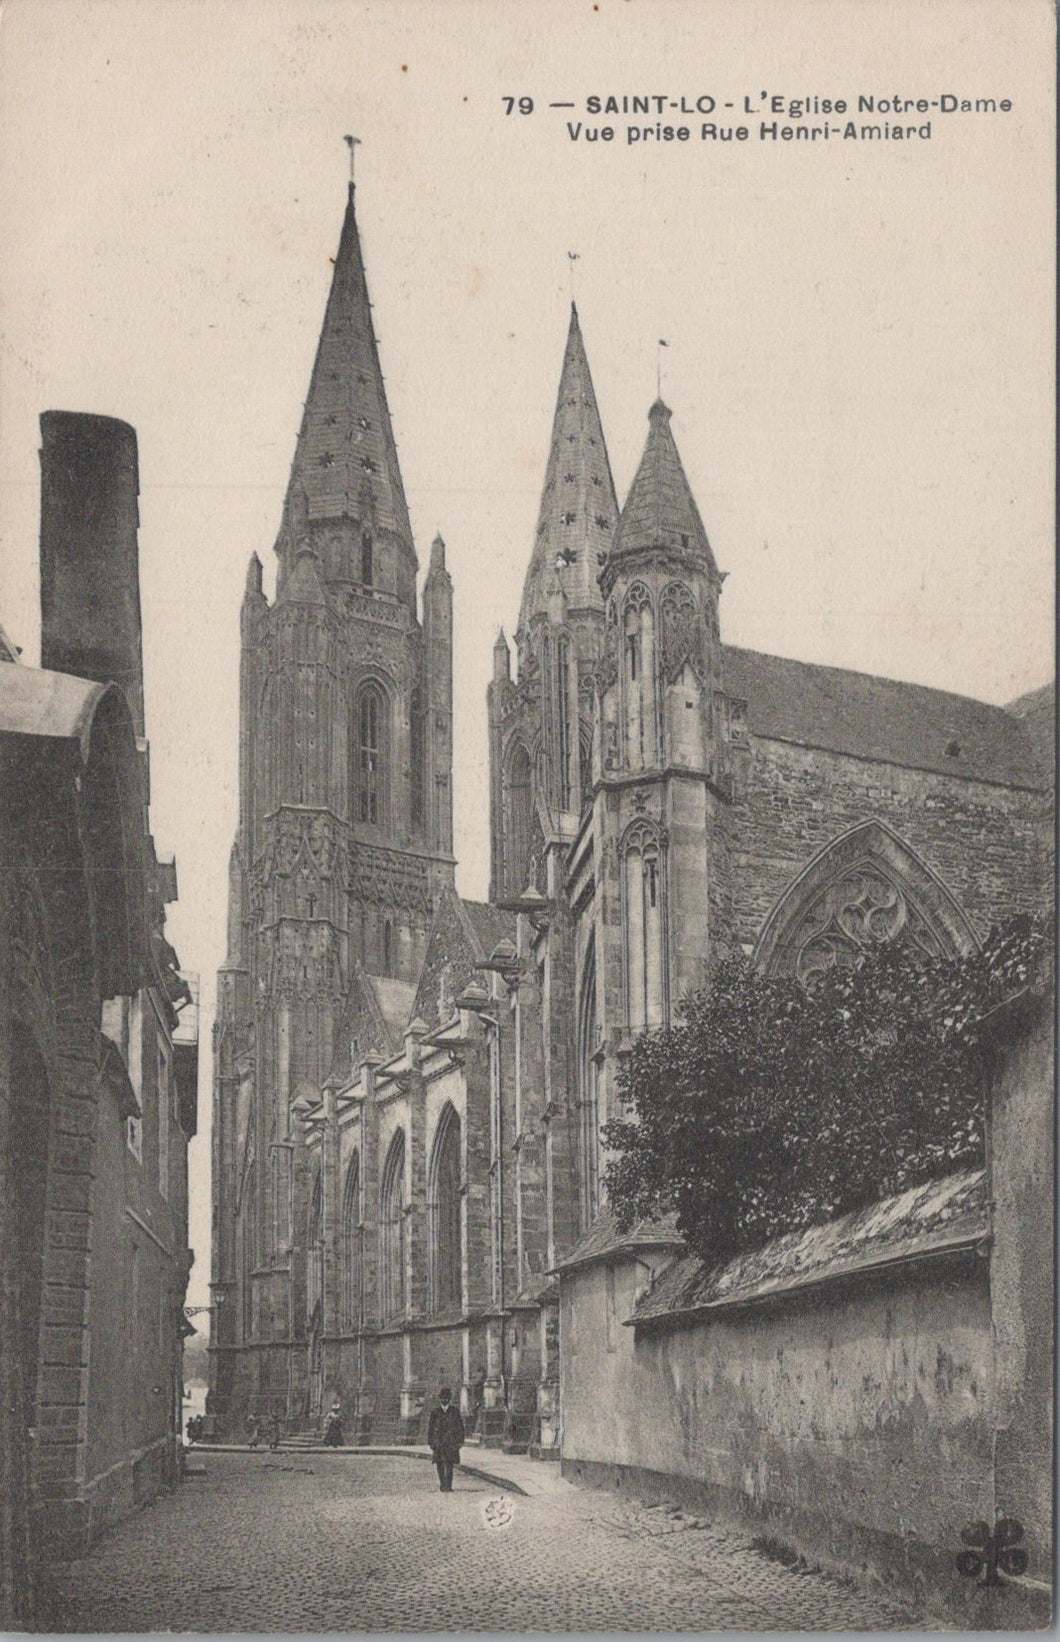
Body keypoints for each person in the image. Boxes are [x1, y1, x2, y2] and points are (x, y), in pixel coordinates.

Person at [427, 1385, 465, 1493]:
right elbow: (431, 1428)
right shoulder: (435, 1412)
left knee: (449, 1465)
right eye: (442, 1398)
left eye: (446, 1398)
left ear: (449, 1399)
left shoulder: (454, 1411)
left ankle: (448, 1485)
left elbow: (460, 1428)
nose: (444, 1400)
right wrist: (431, 1443)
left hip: (450, 1443)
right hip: (438, 1443)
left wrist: (459, 1442)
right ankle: (442, 1484)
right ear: (439, 1399)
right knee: (439, 1464)